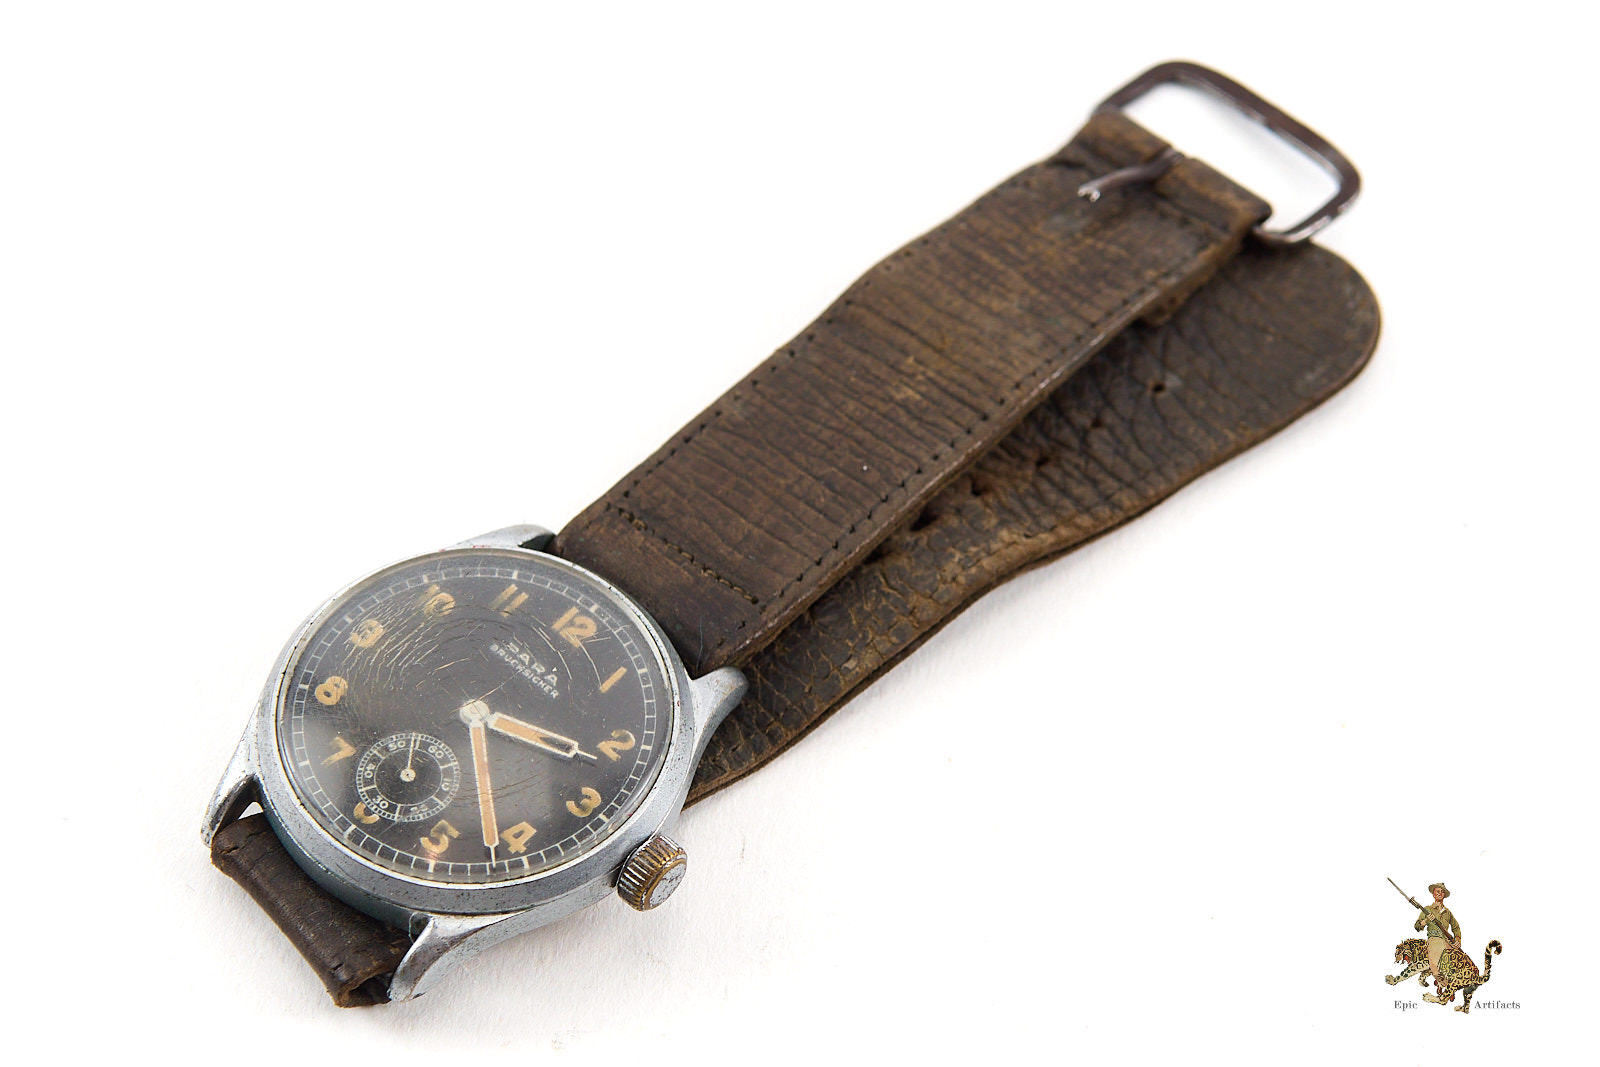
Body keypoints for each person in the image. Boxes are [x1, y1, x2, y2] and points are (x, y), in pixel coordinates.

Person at [1414, 882, 1461, 985]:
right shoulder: (1427, 909)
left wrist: (1458, 940)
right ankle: (1444, 983)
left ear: (1444, 895)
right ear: (1433, 894)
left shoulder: (1447, 912)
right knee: (1436, 966)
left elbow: (1456, 927)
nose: (1440, 893)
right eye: (1437, 891)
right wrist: (1425, 921)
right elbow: (1417, 926)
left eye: (1442, 891)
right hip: (1434, 939)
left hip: (1446, 941)